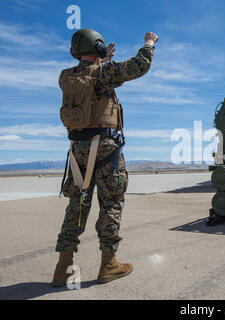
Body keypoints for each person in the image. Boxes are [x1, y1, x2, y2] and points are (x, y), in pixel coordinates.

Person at [52, 28, 158, 287]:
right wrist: (149, 43)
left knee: (77, 205)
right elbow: (139, 66)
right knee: (111, 203)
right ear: (98, 49)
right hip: (106, 148)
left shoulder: (66, 77)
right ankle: (108, 264)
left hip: (78, 149)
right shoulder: (103, 74)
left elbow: (90, 82)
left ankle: (62, 268)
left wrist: (103, 61)